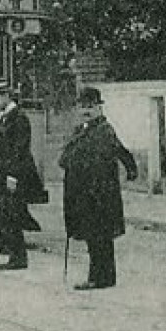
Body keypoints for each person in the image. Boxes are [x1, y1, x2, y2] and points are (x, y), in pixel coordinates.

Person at [59, 87, 139, 290]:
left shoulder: (104, 130)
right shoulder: (81, 130)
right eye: (83, 106)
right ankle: (102, 277)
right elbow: (66, 157)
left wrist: (131, 170)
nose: (86, 110)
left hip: (100, 193)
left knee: (99, 236)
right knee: (94, 235)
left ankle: (101, 278)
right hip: (85, 192)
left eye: (91, 106)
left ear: (99, 107)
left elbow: (119, 151)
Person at [0, 83, 46, 270]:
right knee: (8, 214)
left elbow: (19, 150)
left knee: (13, 214)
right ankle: (15, 256)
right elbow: (0, 146)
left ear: (5, 96)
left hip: (16, 174)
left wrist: (12, 176)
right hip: (8, 172)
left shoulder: (19, 118)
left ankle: (18, 258)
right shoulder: (7, 117)